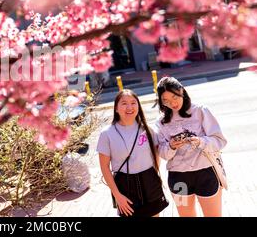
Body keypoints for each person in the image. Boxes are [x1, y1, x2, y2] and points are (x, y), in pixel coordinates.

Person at [155, 77, 227, 217]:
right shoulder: (161, 122)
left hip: (206, 173)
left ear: (181, 90)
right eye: (166, 101)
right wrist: (171, 146)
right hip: (178, 178)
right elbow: (163, 154)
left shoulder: (200, 111)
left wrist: (200, 141)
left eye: (175, 97)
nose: (172, 103)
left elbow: (220, 140)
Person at [97, 89, 169, 217]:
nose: (129, 107)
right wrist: (117, 195)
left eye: (133, 103)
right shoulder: (107, 133)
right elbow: (104, 167)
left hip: (149, 180)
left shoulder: (148, 129)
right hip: (125, 185)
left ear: (138, 106)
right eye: (124, 103)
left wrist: (154, 175)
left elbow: (156, 154)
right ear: (116, 108)